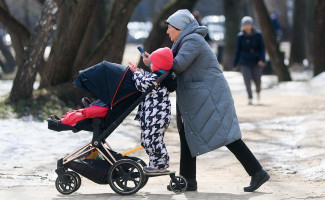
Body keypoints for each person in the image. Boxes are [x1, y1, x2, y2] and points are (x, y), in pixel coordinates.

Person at [142, 9, 269, 192]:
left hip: (210, 96)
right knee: (189, 134)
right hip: (200, 96)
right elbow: (173, 65)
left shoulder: (192, 40)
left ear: (180, 27)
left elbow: (177, 65)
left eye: (170, 28)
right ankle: (188, 180)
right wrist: (154, 63)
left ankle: (257, 172)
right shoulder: (184, 41)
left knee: (227, 135)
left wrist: (152, 63)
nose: (168, 32)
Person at [130, 47, 173, 174]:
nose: (150, 64)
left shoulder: (158, 79)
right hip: (153, 116)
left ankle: (160, 164)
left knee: (153, 139)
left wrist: (135, 73)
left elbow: (141, 84)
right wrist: (140, 72)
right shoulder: (160, 76)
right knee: (146, 140)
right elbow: (148, 77)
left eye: (152, 63)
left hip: (156, 117)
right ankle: (156, 162)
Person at [233, 16, 266, 105]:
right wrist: (235, 63)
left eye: (248, 24)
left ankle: (258, 91)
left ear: (251, 25)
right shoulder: (240, 36)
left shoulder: (258, 35)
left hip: (256, 61)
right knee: (247, 80)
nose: (247, 26)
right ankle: (250, 97)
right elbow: (238, 50)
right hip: (244, 61)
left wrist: (262, 59)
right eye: (245, 25)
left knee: (257, 79)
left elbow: (262, 48)